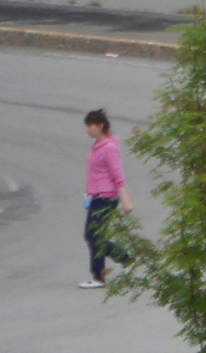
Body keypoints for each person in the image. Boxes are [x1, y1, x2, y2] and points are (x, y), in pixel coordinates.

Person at [81, 108, 130, 289]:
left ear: (100, 125)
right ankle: (124, 260)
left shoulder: (109, 148)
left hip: (106, 198)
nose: (88, 129)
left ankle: (100, 276)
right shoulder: (97, 146)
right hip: (96, 197)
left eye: (90, 126)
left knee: (94, 236)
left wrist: (127, 200)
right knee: (94, 236)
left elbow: (118, 175)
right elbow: (96, 173)